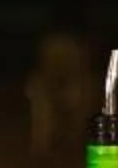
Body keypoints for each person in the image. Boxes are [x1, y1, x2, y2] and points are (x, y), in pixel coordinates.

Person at [26, 14, 93, 156]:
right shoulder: (53, 44)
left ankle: (68, 140)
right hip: (50, 83)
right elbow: (48, 67)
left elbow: (76, 68)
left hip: (67, 82)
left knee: (78, 100)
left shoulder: (72, 46)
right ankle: (42, 145)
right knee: (42, 108)